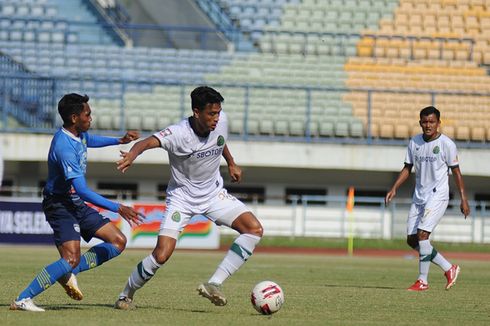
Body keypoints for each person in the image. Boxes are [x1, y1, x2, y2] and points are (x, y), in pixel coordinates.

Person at [113, 86, 263, 310]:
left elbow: (220, 141)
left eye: (218, 113)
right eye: (211, 114)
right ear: (196, 112)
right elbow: (145, 143)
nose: (216, 118)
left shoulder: (222, 121)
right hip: (182, 199)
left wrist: (231, 162)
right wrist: (132, 155)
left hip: (213, 194)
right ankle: (126, 295)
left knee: (254, 229)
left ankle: (214, 283)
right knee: (161, 255)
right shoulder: (178, 134)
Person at [10, 93, 144, 312]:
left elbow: (91, 140)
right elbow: (82, 191)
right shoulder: (64, 147)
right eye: (87, 114)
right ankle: (23, 299)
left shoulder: (79, 135)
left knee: (118, 241)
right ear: (74, 118)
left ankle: (68, 272)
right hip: (59, 204)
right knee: (71, 258)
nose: (91, 118)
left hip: (73, 202)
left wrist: (119, 140)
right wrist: (118, 208)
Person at [385, 106, 470, 292]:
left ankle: (422, 281)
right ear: (420, 123)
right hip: (419, 196)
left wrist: (464, 199)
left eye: (432, 122)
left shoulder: (447, 144)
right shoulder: (415, 142)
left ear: (439, 123)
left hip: (438, 195)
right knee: (412, 239)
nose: (428, 125)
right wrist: (394, 188)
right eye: (424, 122)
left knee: (423, 235)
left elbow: (456, 172)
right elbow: (407, 167)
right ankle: (449, 268)